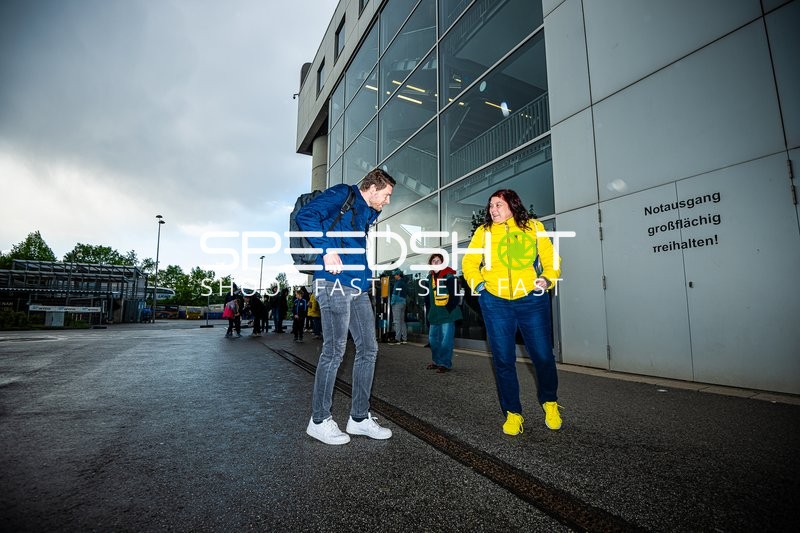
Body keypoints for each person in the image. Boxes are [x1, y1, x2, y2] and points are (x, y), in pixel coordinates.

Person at [296, 168, 396, 445]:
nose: (388, 202)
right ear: (373, 189)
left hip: (358, 286)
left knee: (369, 348)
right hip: (333, 283)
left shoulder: (366, 211)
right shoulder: (343, 193)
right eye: (386, 195)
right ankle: (319, 420)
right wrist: (327, 250)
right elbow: (305, 216)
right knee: (334, 350)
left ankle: (359, 418)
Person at [461, 189, 562, 436]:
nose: (492, 210)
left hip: (530, 299)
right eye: (490, 206)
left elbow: (551, 259)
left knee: (543, 357)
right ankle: (513, 413)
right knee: (503, 359)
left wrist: (547, 279)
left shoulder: (534, 227)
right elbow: (469, 263)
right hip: (495, 302)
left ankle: (550, 402)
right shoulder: (483, 232)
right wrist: (481, 286)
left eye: (498, 205)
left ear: (512, 205)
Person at [423, 253, 463, 373]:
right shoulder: (429, 278)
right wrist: (428, 313)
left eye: (438, 260)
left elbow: (455, 295)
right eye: (433, 260)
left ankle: (445, 363)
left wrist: (448, 309)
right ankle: (436, 361)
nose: (436, 262)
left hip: (447, 314)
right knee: (433, 339)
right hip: (434, 313)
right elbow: (428, 298)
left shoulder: (449, 276)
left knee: (446, 340)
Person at [388, 269, 408, 344]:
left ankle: (397, 338)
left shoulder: (398, 283)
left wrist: (392, 302)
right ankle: (404, 338)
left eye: (395, 275)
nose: (394, 276)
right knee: (402, 321)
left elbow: (395, 294)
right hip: (403, 303)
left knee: (397, 321)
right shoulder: (404, 283)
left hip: (397, 303)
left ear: (398, 275)